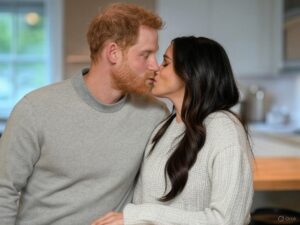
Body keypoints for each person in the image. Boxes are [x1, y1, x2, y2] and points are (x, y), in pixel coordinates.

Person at [0, 3, 168, 225]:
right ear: (113, 53)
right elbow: (4, 190)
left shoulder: (154, 114)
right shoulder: (35, 109)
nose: (155, 66)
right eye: (145, 55)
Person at [91, 36, 254, 225]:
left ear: (190, 73)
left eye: (165, 63)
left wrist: (139, 215)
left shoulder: (223, 129)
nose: (156, 68)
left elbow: (227, 220)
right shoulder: (163, 128)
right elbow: (143, 200)